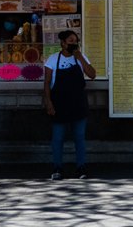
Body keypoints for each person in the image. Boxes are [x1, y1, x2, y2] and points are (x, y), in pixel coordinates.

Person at [42, 29, 97, 180]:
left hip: (78, 103)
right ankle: (57, 167)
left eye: (75, 41)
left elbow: (92, 74)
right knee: (58, 138)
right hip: (59, 104)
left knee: (79, 137)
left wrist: (80, 58)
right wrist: (48, 102)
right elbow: (46, 83)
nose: (74, 44)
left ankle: (81, 167)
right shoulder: (53, 59)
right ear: (63, 43)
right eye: (70, 41)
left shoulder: (80, 57)